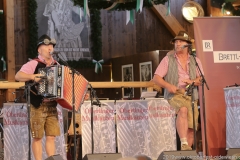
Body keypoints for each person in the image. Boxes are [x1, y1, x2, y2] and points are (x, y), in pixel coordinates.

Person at [152, 31, 204, 150]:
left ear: (187, 45)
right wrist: (168, 86)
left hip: (191, 94)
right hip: (175, 94)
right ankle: (184, 143)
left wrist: (192, 81)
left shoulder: (195, 60)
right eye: (175, 42)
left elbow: (201, 79)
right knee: (183, 109)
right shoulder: (168, 59)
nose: (177, 43)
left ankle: (186, 153)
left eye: (180, 41)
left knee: (192, 127)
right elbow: (156, 78)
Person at [15, 34, 61, 160]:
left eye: (51, 45)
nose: (50, 48)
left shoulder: (57, 65)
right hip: (37, 105)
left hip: (52, 105)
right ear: (39, 49)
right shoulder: (34, 64)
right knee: (37, 137)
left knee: (51, 136)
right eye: (46, 45)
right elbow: (18, 76)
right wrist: (32, 76)